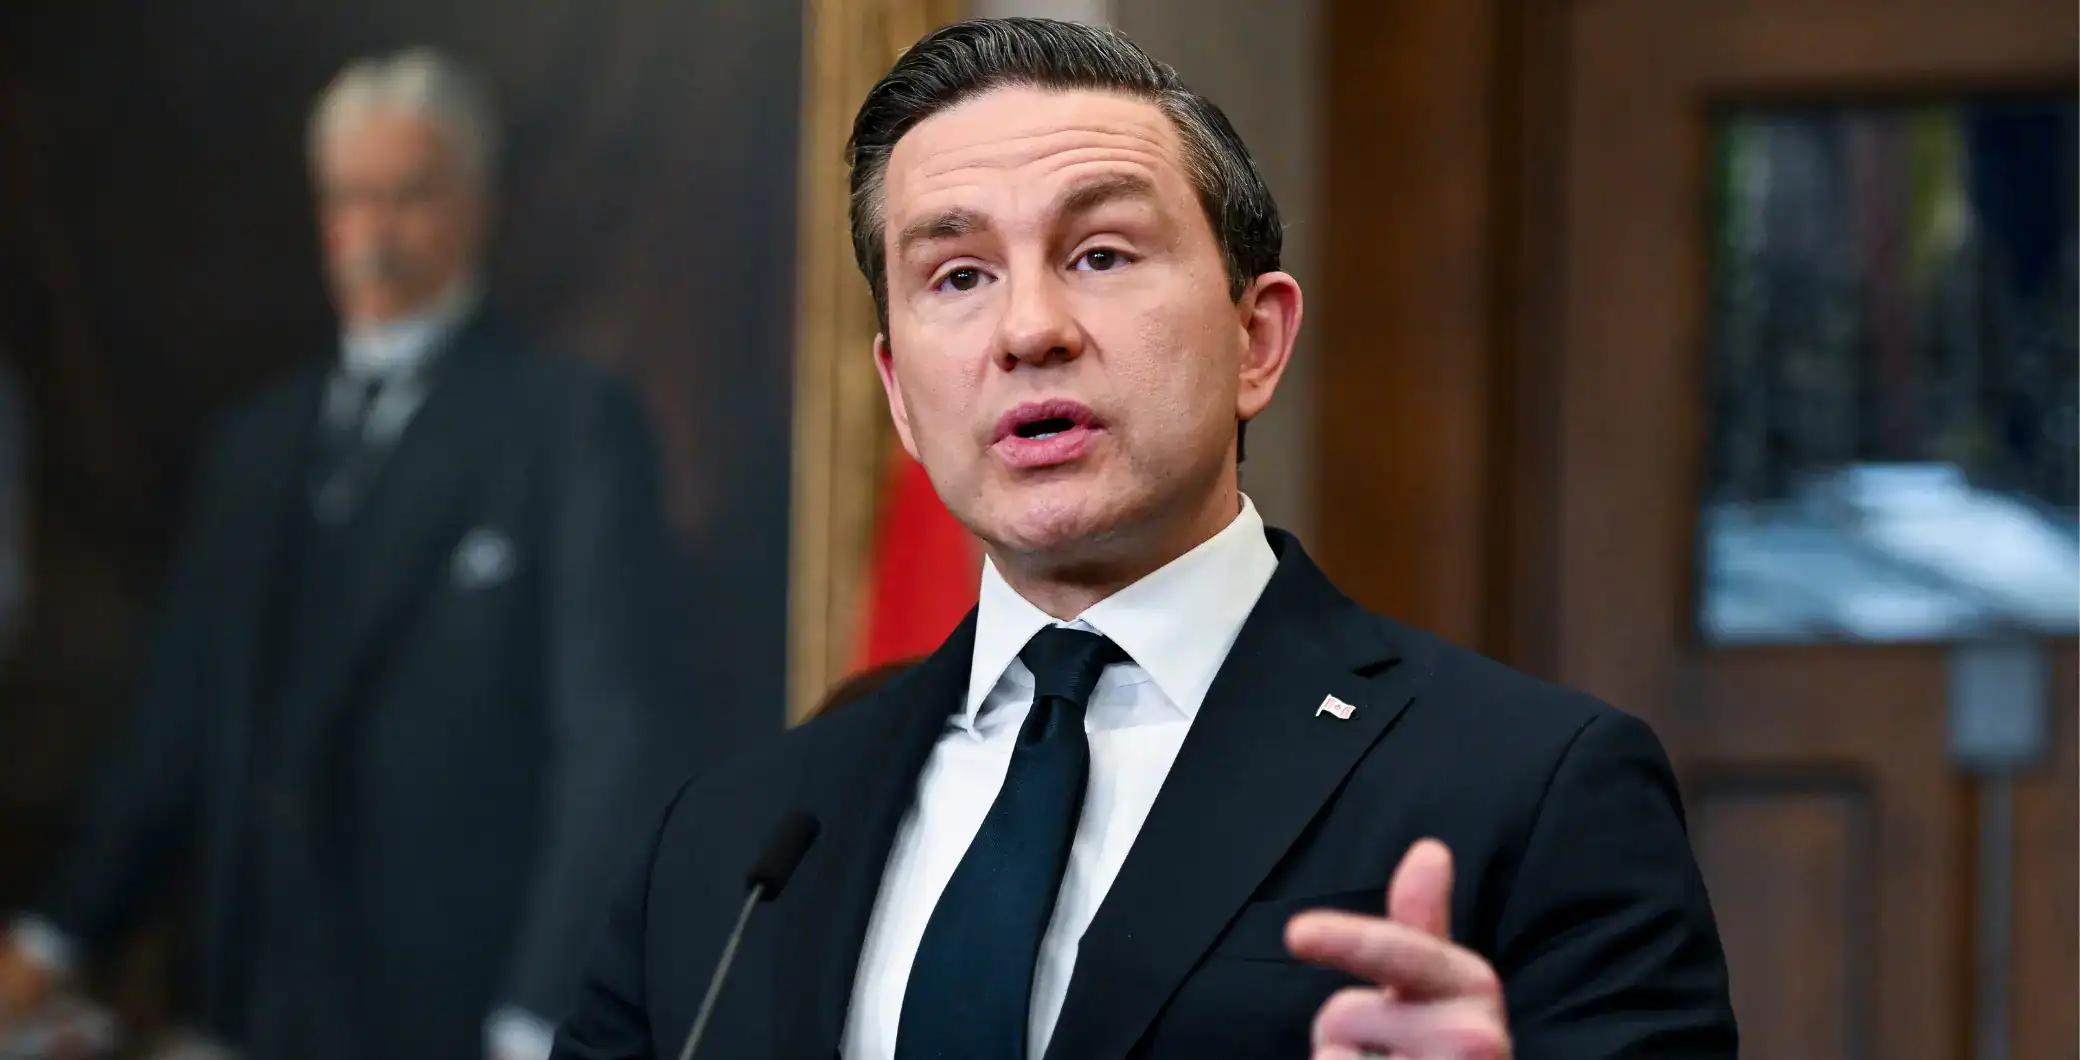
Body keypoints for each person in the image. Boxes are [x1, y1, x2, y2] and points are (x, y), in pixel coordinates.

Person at [553, 18, 1737, 1060]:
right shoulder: (727, 845)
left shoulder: (1528, 790)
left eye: (1100, 255)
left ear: (1256, 340)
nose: (1028, 329)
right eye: (957, 275)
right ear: (901, 396)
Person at [0, 48, 683, 1060]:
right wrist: (53, 939)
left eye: (410, 196)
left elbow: (611, 748)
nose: (376, 232)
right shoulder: (253, 448)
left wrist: (537, 1018)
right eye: (351, 199)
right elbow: (171, 731)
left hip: (450, 1015)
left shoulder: (567, 428)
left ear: (478, 205)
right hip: (239, 1007)